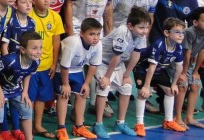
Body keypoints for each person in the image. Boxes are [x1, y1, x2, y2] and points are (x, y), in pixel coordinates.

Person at [91, 7, 152, 138]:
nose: (144, 31)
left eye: (147, 28)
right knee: (104, 87)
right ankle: (98, 124)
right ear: (130, 25)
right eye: (141, 28)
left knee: (126, 86)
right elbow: (115, 56)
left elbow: (136, 55)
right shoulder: (122, 32)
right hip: (101, 61)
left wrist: (126, 75)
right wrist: (107, 77)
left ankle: (120, 122)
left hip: (117, 63)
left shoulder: (140, 35)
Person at [133, 18, 188, 136]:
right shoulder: (158, 45)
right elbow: (151, 67)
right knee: (143, 94)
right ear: (167, 33)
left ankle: (168, 121)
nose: (181, 35)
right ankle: (139, 124)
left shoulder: (179, 48)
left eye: (183, 32)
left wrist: (174, 84)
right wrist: (146, 87)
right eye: (177, 32)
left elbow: (179, 68)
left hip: (158, 70)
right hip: (143, 69)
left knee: (170, 92)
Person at [0, 31, 42, 140]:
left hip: (15, 90)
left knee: (27, 109)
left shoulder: (36, 62)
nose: (38, 52)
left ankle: (29, 138)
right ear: (22, 49)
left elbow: (27, 74)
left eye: (40, 48)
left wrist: (25, 92)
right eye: (34, 48)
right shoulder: (10, 60)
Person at [54, 18, 102, 140]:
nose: (95, 38)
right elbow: (64, 66)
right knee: (64, 95)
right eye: (91, 34)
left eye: (97, 34)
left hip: (77, 69)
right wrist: (65, 84)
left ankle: (79, 127)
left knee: (82, 94)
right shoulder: (73, 43)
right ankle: (61, 128)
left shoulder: (98, 44)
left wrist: (86, 83)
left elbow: (93, 65)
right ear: (81, 33)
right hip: (62, 69)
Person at [28, 0, 64, 139]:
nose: (47, 0)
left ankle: (37, 125)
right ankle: (26, 126)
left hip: (46, 65)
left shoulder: (55, 17)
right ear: (34, 0)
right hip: (29, 66)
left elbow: (56, 42)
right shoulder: (28, 15)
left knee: (42, 97)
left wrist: (54, 63)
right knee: (28, 97)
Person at [174, 6, 204, 129]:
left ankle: (189, 117)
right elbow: (186, 53)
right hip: (176, 62)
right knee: (183, 85)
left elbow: (202, 52)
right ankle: (178, 117)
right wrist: (183, 73)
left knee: (196, 85)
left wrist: (196, 71)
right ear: (195, 22)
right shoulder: (189, 32)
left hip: (189, 63)